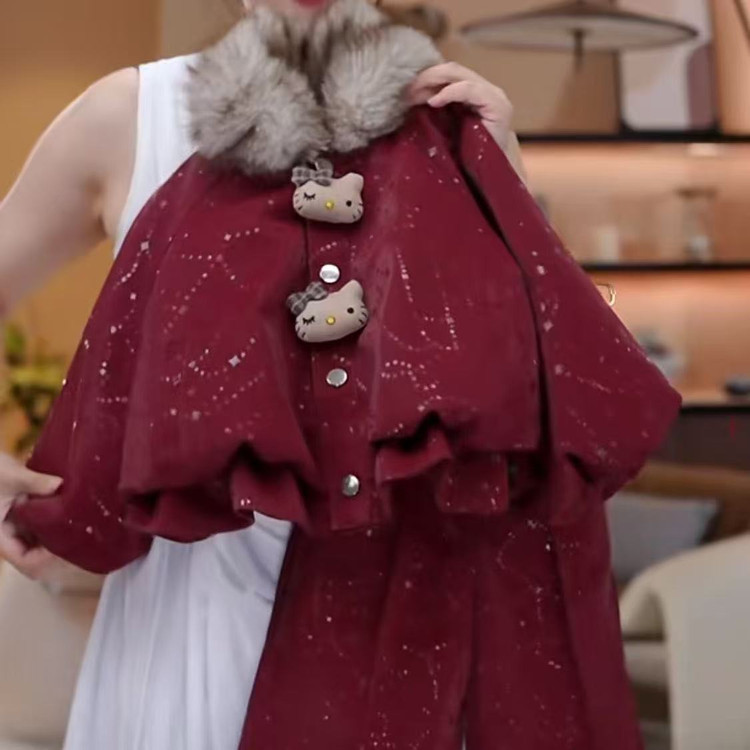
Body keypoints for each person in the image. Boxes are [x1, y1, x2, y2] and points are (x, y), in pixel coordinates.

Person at [0, 1, 529, 747]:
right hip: (191, 626)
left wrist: (508, 182)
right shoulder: (133, 114)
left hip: (403, 623)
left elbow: (533, 385)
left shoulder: (448, 120)